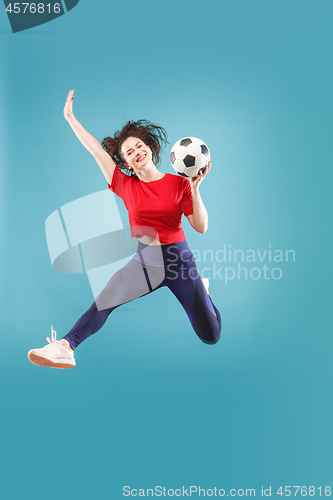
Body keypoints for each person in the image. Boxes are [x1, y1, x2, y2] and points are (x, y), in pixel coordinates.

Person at [28, 90, 222, 369]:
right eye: (129, 152)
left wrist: (194, 187)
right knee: (104, 299)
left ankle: (203, 289)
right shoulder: (124, 184)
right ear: (126, 163)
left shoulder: (179, 184)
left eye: (140, 146)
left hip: (179, 262)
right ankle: (65, 346)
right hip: (146, 262)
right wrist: (70, 118)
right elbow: (95, 149)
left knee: (211, 335)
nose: (137, 152)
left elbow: (201, 227)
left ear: (151, 149)